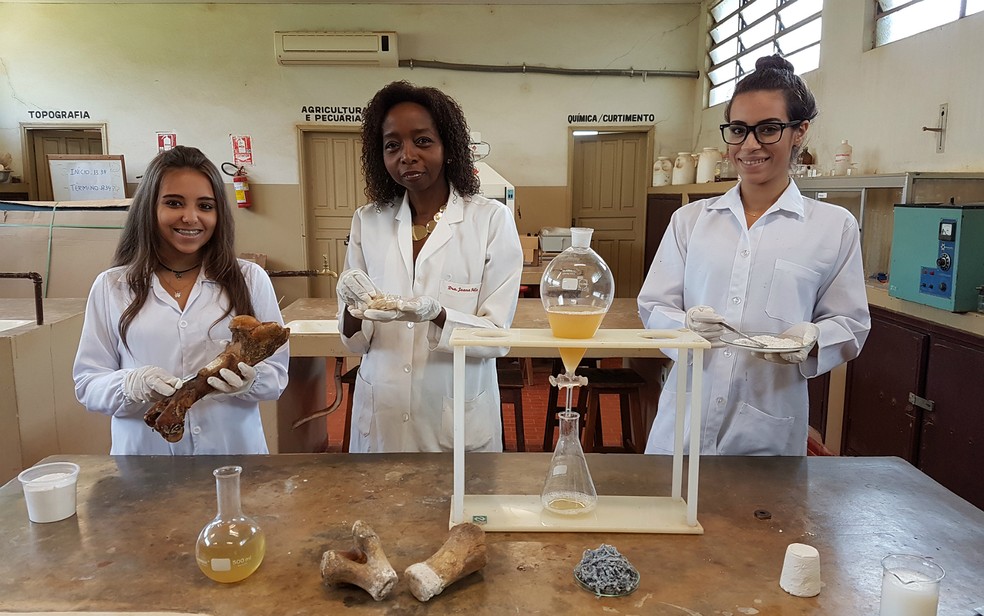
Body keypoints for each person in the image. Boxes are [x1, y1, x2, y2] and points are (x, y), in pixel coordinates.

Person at [637, 55, 870, 456]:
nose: (749, 145)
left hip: (767, 427)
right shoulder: (691, 221)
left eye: (768, 129)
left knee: (762, 518)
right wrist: (685, 325)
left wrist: (813, 339)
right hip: (684, 422)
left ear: (799, 132)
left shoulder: (833, 226)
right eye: (739, 130)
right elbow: (654, 305)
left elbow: (851, 323)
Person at [335, 80, 523, 453]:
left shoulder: (490, 220)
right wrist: (353, 311)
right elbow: (355, 340)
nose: (406, 155)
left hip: (455, 414)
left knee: (459, 511)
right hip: (383, 411)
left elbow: (496, 336)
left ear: (448, 147)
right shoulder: (367, 221)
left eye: (422, 141)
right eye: (392, 145)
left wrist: (438, 315)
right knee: (378, 509)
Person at [73, 145, 288, 455]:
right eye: (174, 203)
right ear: (149, 207)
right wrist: (130, 385)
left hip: (233, 456)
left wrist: (249, 382)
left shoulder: (250, 280)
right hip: (146, 461)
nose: (191, 217)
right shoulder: (113, 287)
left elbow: (277, 375)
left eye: (205, 205)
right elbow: (88, 383)